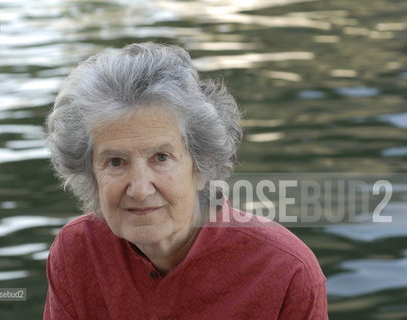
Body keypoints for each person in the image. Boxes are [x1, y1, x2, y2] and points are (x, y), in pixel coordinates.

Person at [44, 42, 328, 319]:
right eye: (115, 162)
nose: (140, 189)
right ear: (91, 175)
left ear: (202, 166)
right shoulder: (78, 251)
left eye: (161, 157)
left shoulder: (286, 270)